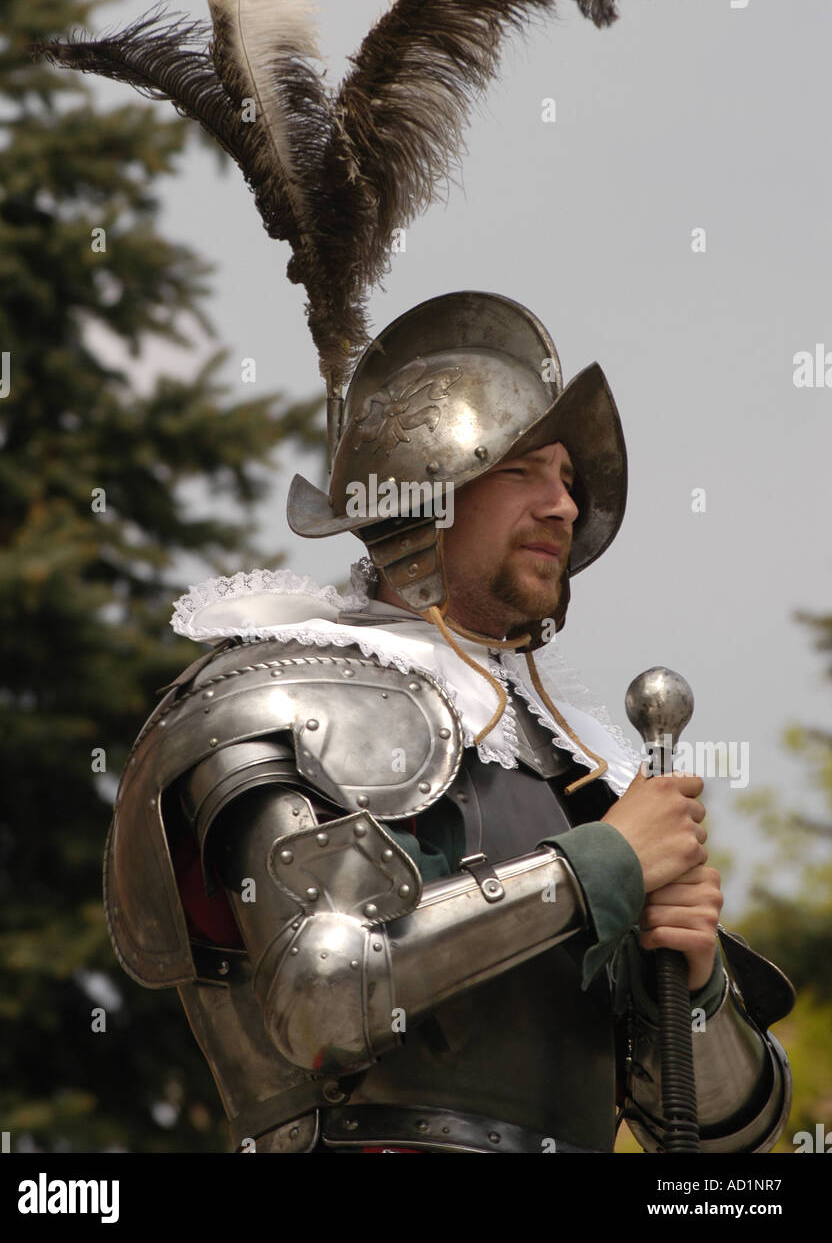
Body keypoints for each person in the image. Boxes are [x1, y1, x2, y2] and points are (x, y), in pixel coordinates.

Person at [105, 290, 794, 1153]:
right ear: (423, 496)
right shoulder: (277, 695)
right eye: (522, 471)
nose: (564, 508)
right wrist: (598, 867)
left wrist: (694, 990)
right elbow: (321, 996)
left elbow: (731, 1136)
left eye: (570, 482)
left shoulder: (574, 760)